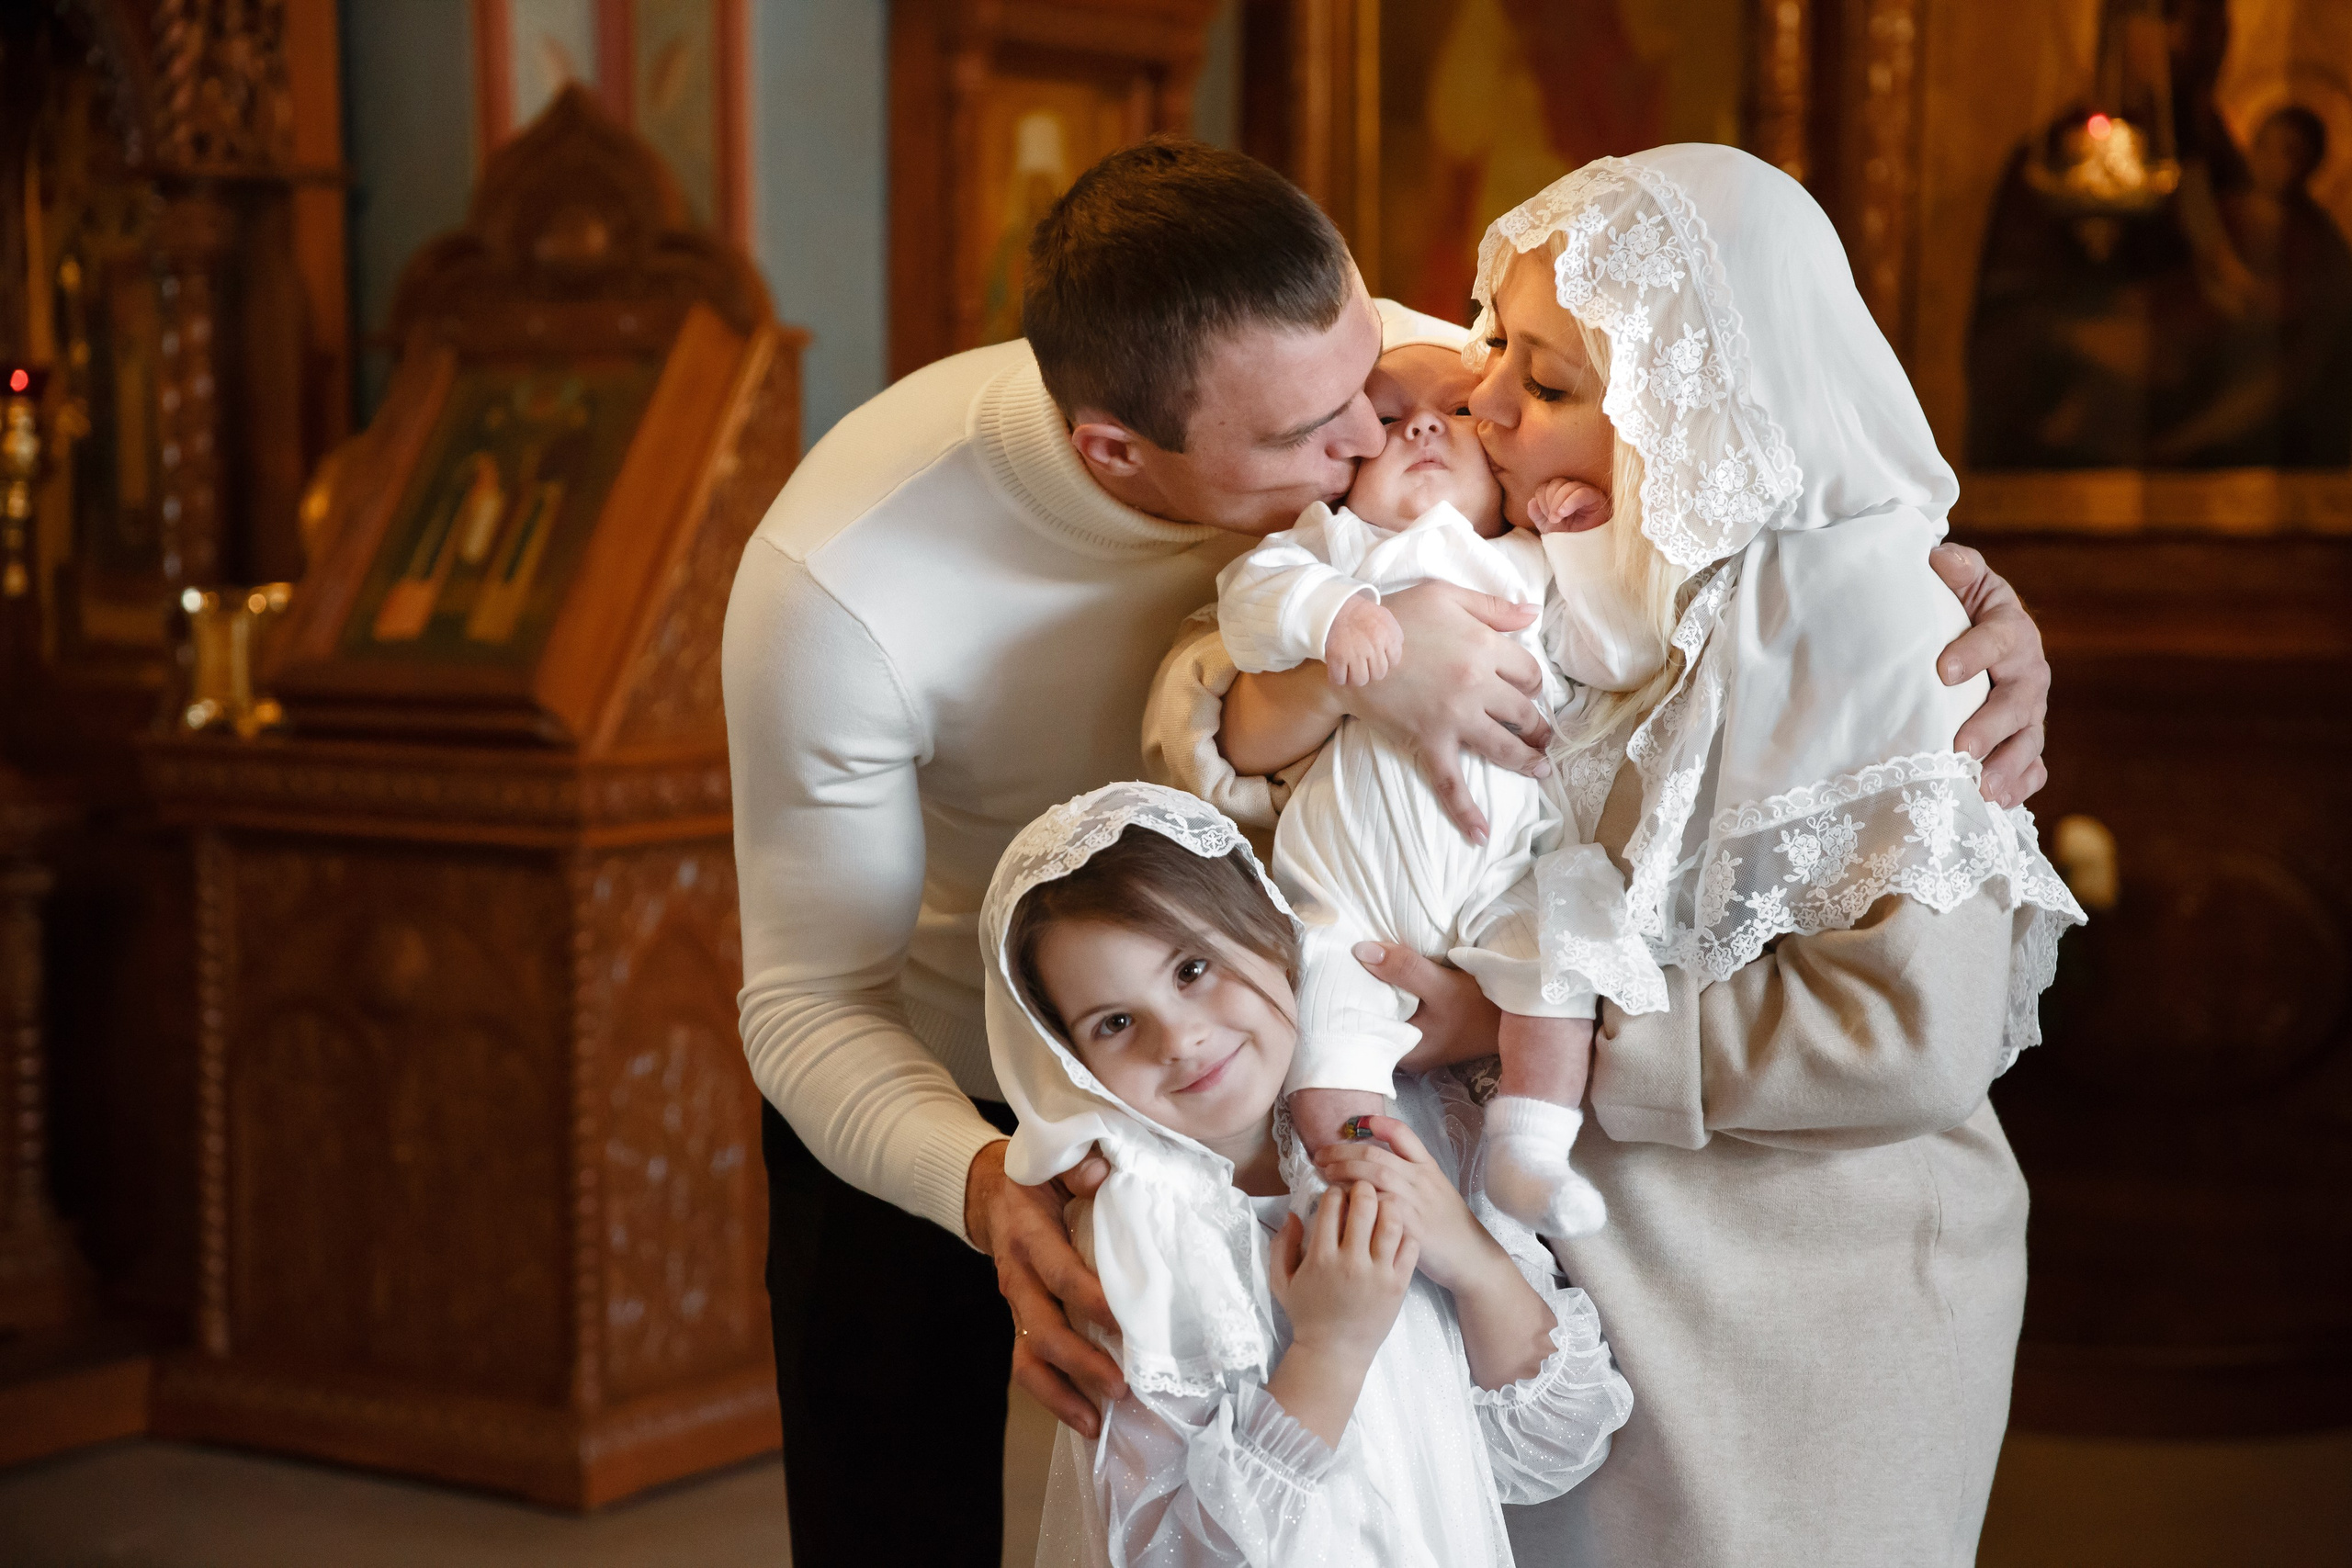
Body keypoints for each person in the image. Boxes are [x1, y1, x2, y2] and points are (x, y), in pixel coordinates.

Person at [723, 137, 2052, 1566]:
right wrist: (1328, 681)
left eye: (1403, 375)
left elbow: (1788, 453)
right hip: (982, 1054)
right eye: (1319, 438)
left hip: (1438, 1123)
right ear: (1122, 452)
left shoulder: (1420, 381)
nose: (1405, 435)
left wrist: (1966, 610)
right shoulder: (840, 588)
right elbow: (809, 995)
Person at [1152, 144, 2086, 1566]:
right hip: (1557, 1300)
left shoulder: (1881, 626)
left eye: (1556, 385)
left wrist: (1511, 1017)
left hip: (1798, 1306)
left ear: (1697, 412)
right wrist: (1340, 679)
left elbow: (1909, 1030)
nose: (1486, 407)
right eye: (1492, 356)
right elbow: (1226, 677)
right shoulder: (1555, 568)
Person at [985, 782, 1631, 1566]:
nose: (1181, 1039)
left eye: (1193, 968)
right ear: (1071, 1064)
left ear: (1269, 928)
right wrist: (1330, 1349)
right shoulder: (1139, 1241)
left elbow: (1558, 1445)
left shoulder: (1410, 1122)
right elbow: (1173, 1553)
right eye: (1115, 1023)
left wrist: (1471, 1261)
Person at [1214, 321, 1667, 1237]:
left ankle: (1528, 1153)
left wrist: (1587, 539)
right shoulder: (1332, 545)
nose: (1424, 428)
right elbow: (1250, 598)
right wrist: (1330, 612)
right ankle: (1356, 1175)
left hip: (1503, 880)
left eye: (1457, 410)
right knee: (1324, 1021)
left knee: (1557, 973)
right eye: (1390, 417)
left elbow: (1625, 650)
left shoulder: (1528, 569)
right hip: (1344, 899)